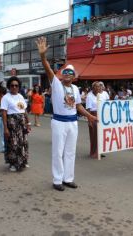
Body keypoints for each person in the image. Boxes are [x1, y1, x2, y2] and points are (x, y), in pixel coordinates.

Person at [36, 36, 97, 191]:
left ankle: (68, 178)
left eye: (71, 72)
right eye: (65, 72)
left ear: (74, 76)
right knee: (58, 151)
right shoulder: (56, 83)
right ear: (61, 74)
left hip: (73, 122)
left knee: (70, 152)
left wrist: (89, 115)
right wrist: (43, 56)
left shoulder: (76, 89)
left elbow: (78, 106)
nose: (67, 74)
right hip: (59, 122)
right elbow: (48, 68)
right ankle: (57, 180)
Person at [1, 77, 31, 172]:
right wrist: (5, 128)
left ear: (19, 87)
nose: (14, 87)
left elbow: (24, 110)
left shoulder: (20, 96)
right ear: (9, 87)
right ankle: (12, 163)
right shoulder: (6, 97)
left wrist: (28, 122)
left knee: (23, 143)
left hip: (22, 123)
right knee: (13, 144)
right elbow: (4, 113)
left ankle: (23, 161)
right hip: (12, 123)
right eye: (12, 85)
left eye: (16, 85)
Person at [86, 81, 109, 158]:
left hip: (102, 115)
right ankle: (93, 152)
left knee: (101, 135)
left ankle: (100, 151)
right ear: (93, 88)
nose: (99, 88)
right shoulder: (89, 96)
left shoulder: (102, 95)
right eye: (96, 86)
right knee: (94, 135)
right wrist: (89, 121)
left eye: (99, 86)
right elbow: (88, 109)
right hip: (93, 116)